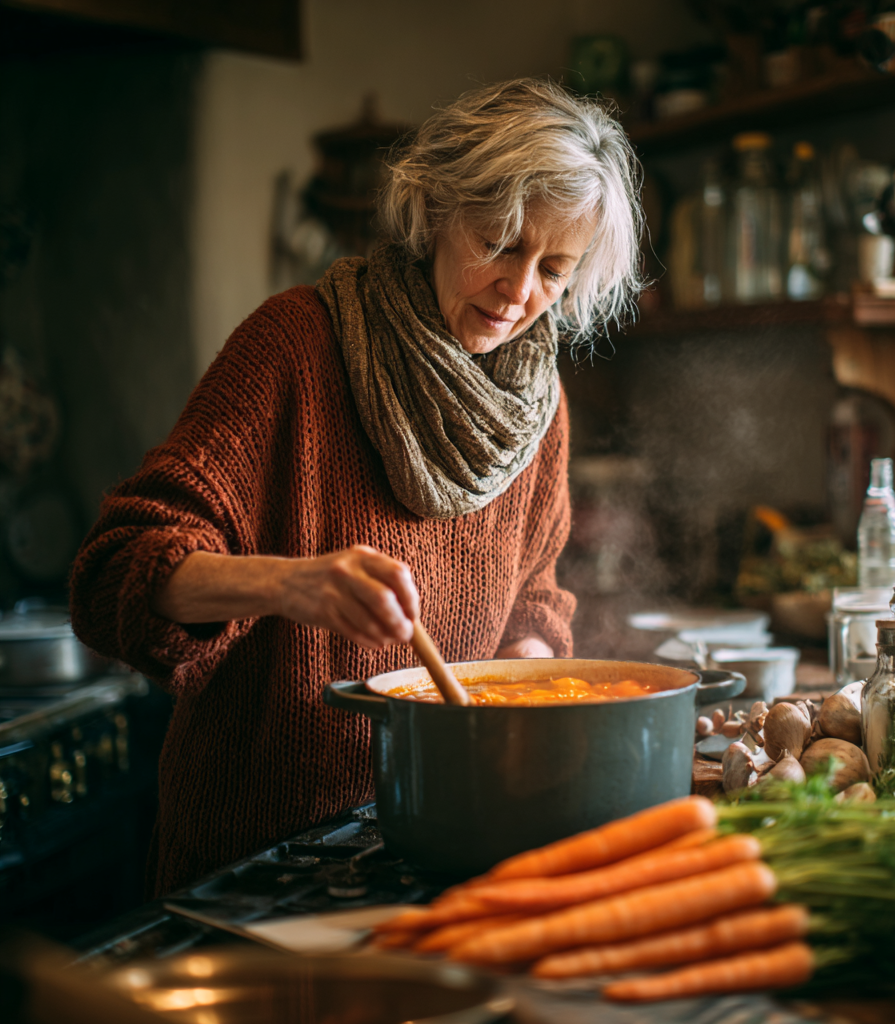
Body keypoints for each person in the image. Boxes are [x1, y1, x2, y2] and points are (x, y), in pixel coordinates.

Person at [70, 78, 644, 896]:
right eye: (501, 243)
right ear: (437, 210)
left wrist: (523, 669)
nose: (521, 294)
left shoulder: (535, 406)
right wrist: (291, 584)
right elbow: (111, 572)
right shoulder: (295, 347)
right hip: (260, 861)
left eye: (555, 269)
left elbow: (536, 595)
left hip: (438, 846)